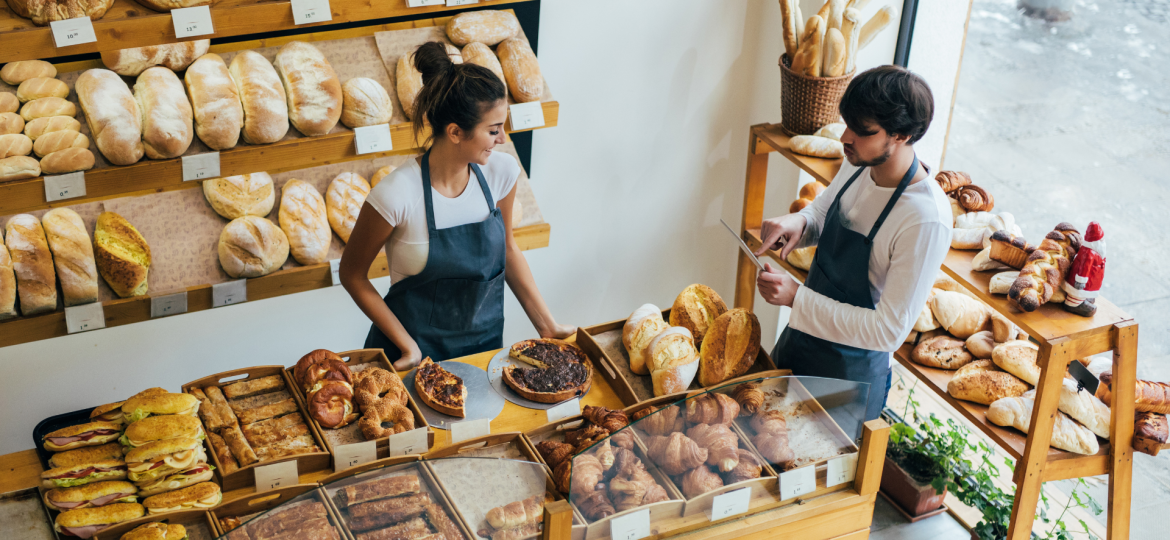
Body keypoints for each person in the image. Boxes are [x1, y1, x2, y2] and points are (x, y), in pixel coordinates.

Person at [340, 42, 573, 370]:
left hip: (482, 353)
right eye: (493, 130)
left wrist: (548, 325)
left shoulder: (501, 173)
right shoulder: (396, 194)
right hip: (410, 359)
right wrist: (408, 346)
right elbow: (351, 274)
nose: (502, 139)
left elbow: (508, 250)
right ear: (455, 132)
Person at [754, 66, 952, 421]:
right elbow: (825, 211)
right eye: (847, 124)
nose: (846, 137)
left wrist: (797, 297)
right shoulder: (859, 159)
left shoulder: (925, 219)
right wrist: (800, 223)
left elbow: (888, 331)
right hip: (799, 343)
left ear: (902, 134)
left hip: (848, 383)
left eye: (862, 131)